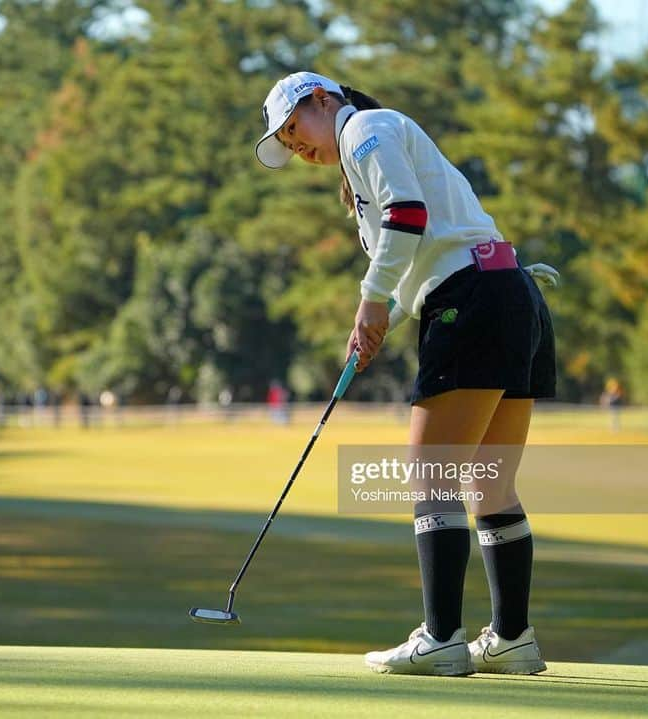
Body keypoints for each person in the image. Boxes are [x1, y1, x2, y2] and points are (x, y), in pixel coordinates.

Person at [255, 72, 558, 676]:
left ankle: (443, 636)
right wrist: (383, 319)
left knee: (431, 474)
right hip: (506, 293)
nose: (296, 147)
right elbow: (426, 251)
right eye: (286, 144)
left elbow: (410, 216)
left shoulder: (366, 129)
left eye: (294, 129)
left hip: (471, 300)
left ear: (323, 100)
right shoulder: (369, 150)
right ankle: (511, 638)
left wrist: (369, 299)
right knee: (489, 484)